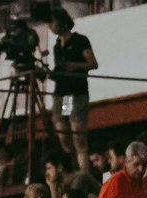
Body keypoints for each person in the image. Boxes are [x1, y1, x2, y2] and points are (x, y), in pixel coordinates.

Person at [49, 9, 97, 174]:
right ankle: (73, 167)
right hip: (63, 94)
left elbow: (92, 63)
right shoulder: (57, 46)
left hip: (75, 92)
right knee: (64, 135)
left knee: (78, 136)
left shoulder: (80, 40)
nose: (50, 26)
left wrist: (74, 66)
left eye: (52, 22)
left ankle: (84, 173)